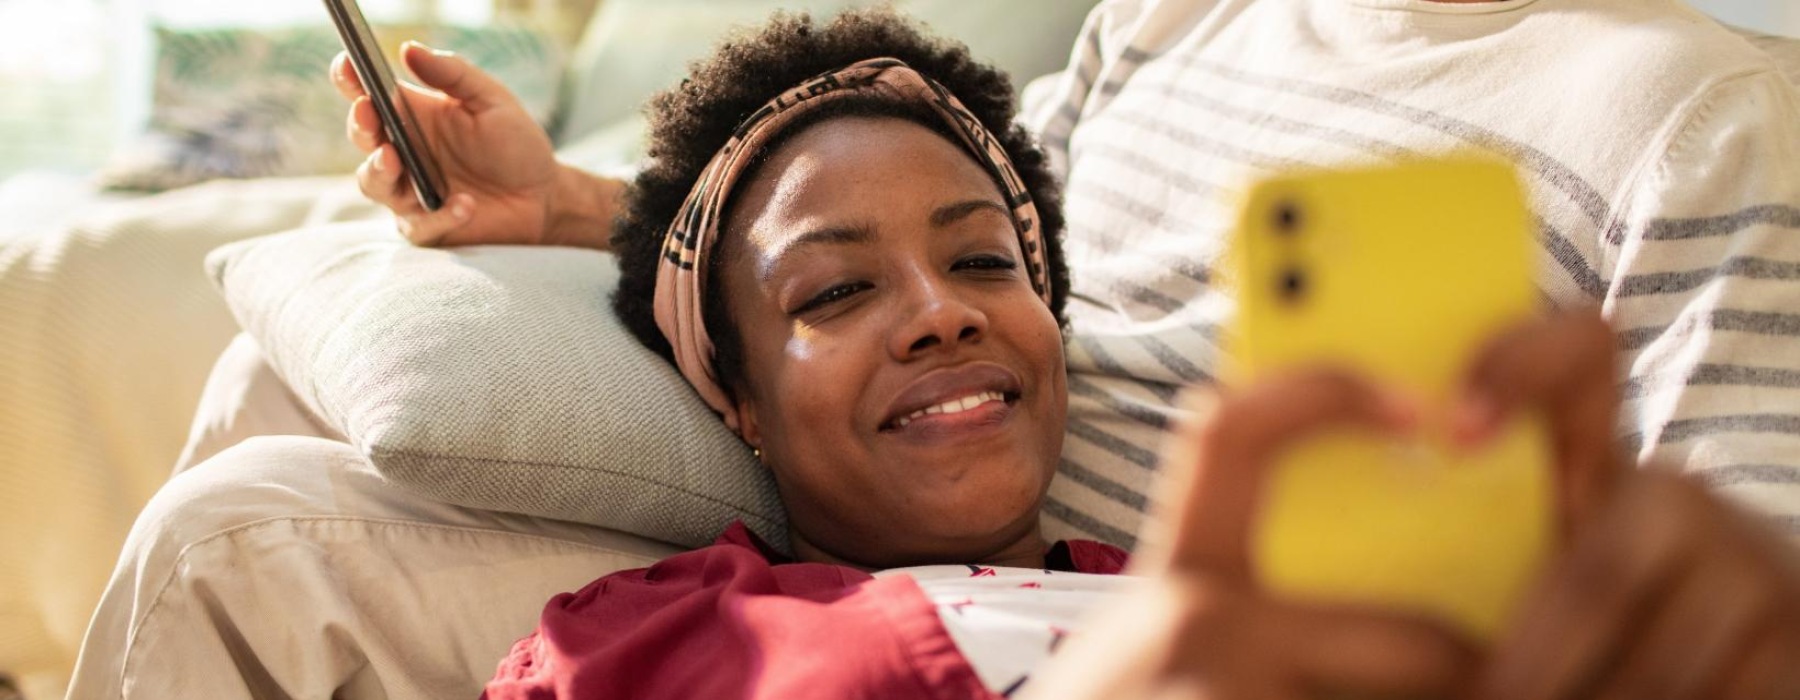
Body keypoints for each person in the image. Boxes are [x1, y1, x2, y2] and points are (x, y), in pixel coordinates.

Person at [67, 1, 1800, 698]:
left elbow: (1749, 590)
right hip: (903, 533)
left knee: (247, 529)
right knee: (292, 377)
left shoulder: (1693, 114)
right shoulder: (1186, 9)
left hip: (1185, 628)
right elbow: (914, 220)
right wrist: (573, 205)